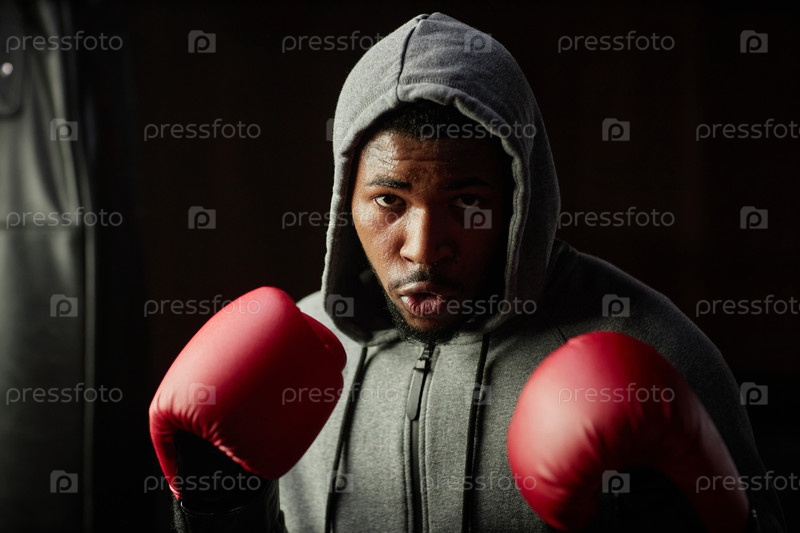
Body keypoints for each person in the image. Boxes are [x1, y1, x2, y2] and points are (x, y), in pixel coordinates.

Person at [152, 12, 786, 532]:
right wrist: (217, 513)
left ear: (519, 199)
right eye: (389, 200)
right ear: (346, 201)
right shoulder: (290, 357)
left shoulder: (648, 347)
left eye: (467, 202)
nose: (424, 248)